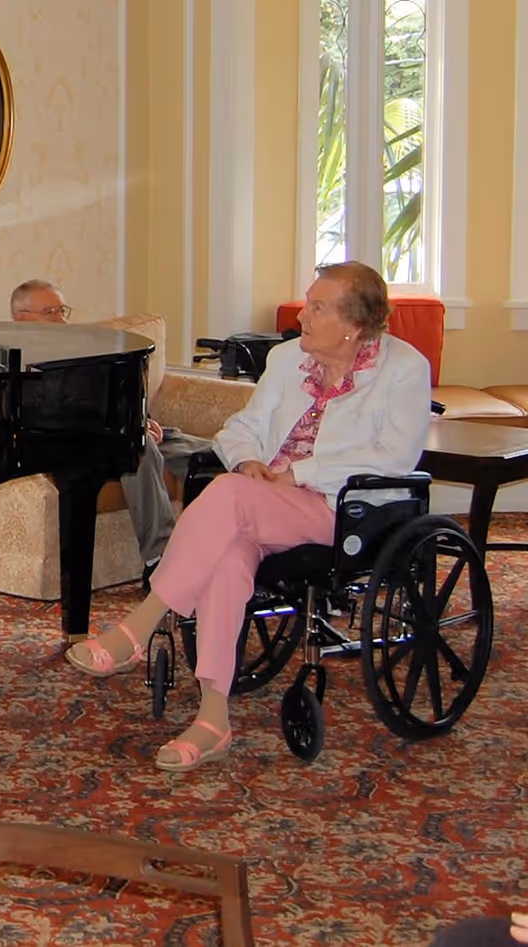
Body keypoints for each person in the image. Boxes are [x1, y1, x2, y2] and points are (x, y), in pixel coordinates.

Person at [65, 261, 430, 772]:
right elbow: (243, 426)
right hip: (262, 500)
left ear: (354, 324)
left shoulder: (403, 369)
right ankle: (213, 720)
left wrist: (299, 474)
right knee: (229, 554)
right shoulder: (287, 360)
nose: (303, 315)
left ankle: (139, 627)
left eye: (318, 307)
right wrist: (249, 460)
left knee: (228, 497)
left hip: (341, 508)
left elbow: (395, 457)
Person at [10, 279, 175, 571]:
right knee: (140, 446)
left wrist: (140, 418)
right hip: (75, 441)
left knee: (207, 450)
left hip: (112, 428)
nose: (61, 319)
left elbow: (111, 393)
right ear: (21, 318)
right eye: (50, 311)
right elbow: (48, 415)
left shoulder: (83, 346)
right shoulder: (17, 358)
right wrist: (131, 426)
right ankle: (161, 560)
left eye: (62, 311)